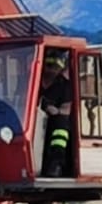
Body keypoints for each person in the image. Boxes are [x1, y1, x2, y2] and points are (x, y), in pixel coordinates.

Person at [37, 49, 73, 177]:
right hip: (33, 119)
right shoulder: (33, 82)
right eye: (48, 65)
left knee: (60, 126)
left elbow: (67, 109)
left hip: (53, 120)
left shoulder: (64, 85)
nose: (51, 69)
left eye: (55, 66)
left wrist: (55, 110)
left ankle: (56, 164)